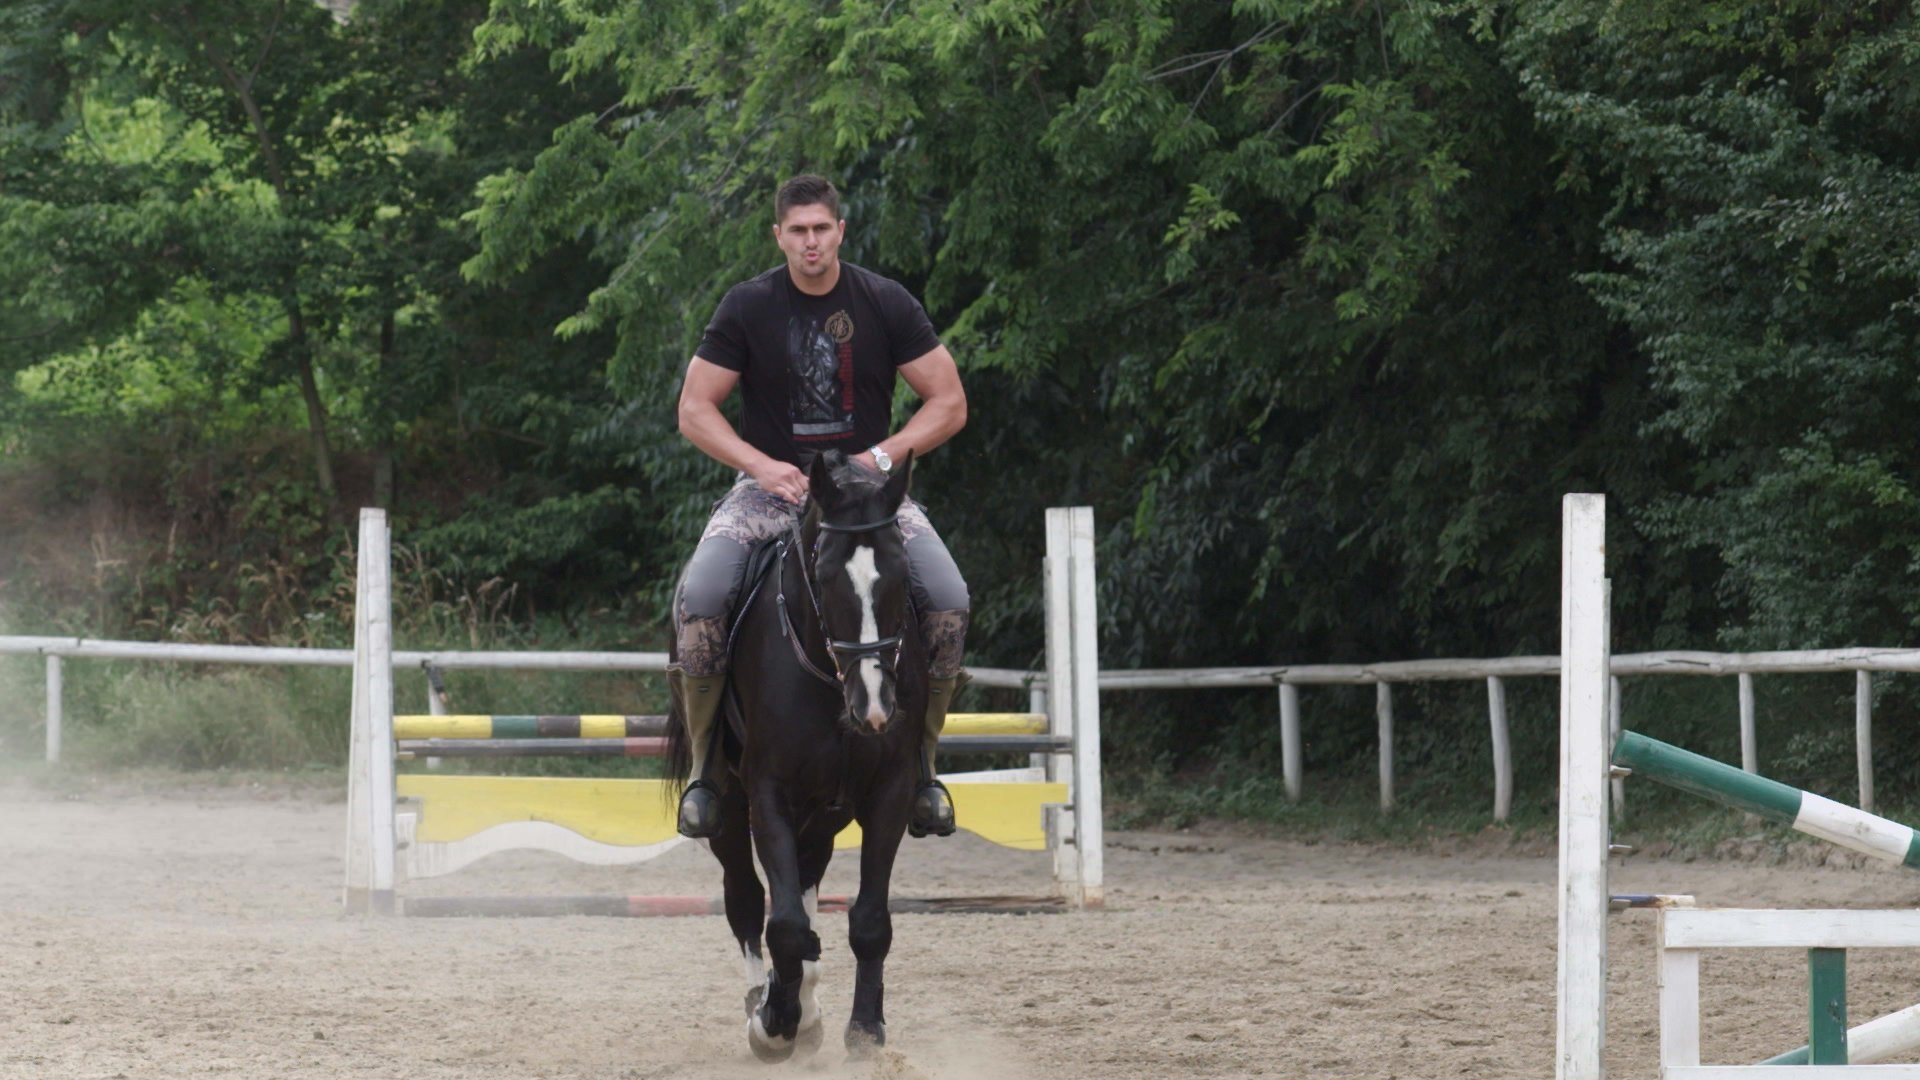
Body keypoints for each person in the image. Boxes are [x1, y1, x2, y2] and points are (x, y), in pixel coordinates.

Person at [671, 174, 970, 841]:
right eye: (797, 231)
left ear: (840, 230)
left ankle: (923, 767)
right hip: (772, 492)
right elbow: (694, 409)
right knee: (703, 599)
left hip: (866, 499)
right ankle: (705, 773)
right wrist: (759, 464)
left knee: (949, 601)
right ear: (779, 236)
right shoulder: (748, 307)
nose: (811, 242)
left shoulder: (885, 302)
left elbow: (948, 401)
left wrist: (881, 460)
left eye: (821, 229)